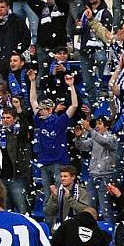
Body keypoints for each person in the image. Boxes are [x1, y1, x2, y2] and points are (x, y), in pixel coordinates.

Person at [29, 69, 79, 204]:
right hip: (44, 162)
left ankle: (59, 222)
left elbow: (74, 105)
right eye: (39, 109)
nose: (39, 111)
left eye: (42, 109)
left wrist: (72, 86)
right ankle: (48, 224)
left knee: (60, 196)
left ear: (50, 110)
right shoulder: (40, 120)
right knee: (47, 197)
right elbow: (32, 100)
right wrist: (33, 82)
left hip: (58, 162)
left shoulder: (59, 121)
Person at [74, 116, 118, 222]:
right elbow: (82, 147)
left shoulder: (112, 138)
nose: (97, 126)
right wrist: (78, 138)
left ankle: (110, 233)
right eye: (96, 124)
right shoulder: (94, 138)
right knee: (91, 209)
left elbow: (104, 142)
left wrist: (90, 129)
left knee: (105, 209)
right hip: (92, 176)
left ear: (106, 126)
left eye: (100, 124)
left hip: (105, 177)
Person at [43, 164, 92, 230]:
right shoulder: (58, 191)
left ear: (73, 177)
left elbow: (85, 211)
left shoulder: (82, 192)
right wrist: (54, 197)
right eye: (61, 176)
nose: (62, 179)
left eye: (65, 176)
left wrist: (69, 198)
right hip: (59, 229)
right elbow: (48, 212)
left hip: (76, 228)